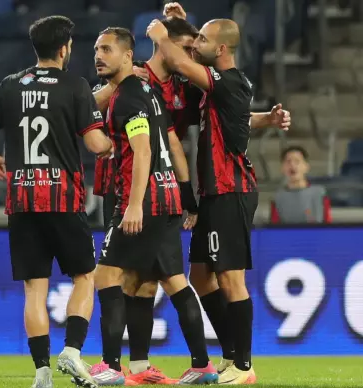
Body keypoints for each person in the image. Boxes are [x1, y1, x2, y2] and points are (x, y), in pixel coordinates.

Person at [0, 15, 113, 388]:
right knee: (85, 276)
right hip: (63, 199)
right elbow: (96, 145)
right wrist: (115, 143)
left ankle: (41, 373)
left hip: (21, 201)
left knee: (35, 288)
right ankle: (71, 351)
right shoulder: (75, 85)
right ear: (65, 47)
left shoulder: (10, 86)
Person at [91, 26, 217, 386]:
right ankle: (198, 365)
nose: (99, 56)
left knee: (107, 276)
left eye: (107, 50)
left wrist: (132, 205)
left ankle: (111, 367)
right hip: (166, 198)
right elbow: (171, 143)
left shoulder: (129, 96)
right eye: (97, 50)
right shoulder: (149, 91)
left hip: (142, 200)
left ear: (129, 55)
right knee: (160, 282)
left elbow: (143, 149)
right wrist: (183, 193)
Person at [147, 13, 261, 384]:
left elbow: (180, 61)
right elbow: (241, 116)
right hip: (212, 193)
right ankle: (229, 356)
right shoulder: (218, 88)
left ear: (222, 49)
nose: (197, 44)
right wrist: (184, 21)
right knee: (200, 275)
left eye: (204, 41)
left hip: (231, 190)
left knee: (231, 279)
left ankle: (244, 366)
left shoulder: (227, 81)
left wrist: (161, 34)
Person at [271, 146, 332, 224]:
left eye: (297, 161)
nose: (292, 165)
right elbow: (274, 229)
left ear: (306, 167)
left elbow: (328, 225)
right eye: (288, 161)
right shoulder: (278, 198)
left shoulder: (320, 194)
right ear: (282, 168)